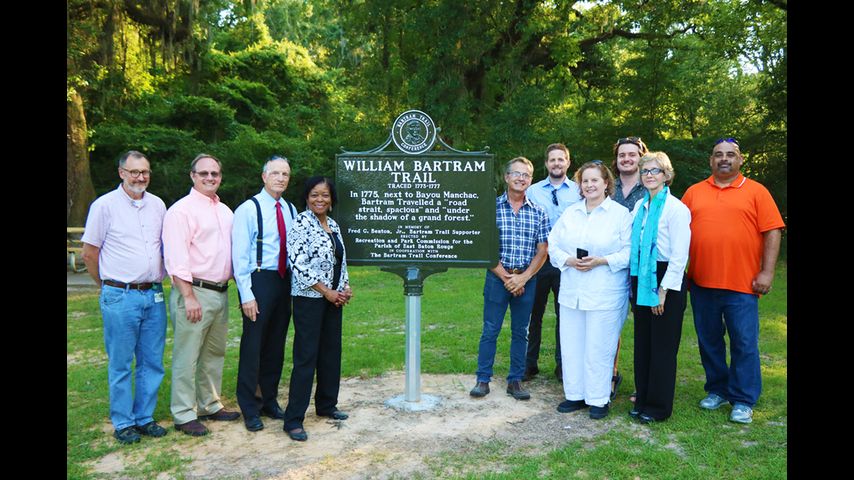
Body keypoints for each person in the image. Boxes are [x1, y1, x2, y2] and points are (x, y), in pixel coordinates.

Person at [681, 138, 785, 424]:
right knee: (709, 341)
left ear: (740, 160)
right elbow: (677, 230)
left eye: (730, 155)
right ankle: (717, 389)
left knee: (744, 342)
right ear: (710, 161)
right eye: (718, 155)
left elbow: (773, 231)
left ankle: (743, 398)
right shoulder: (693, 192)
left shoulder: (756, 191)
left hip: (742, 284)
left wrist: (767, 272)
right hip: (701, 282)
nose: (723, 159)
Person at [81, 150, 169, 444]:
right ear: (121, 173)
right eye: (134, 172)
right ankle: (123, 422)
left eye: (144, 172)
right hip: (120, 295)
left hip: (153, 294)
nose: (140, 177)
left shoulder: (158, 205)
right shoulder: (104, 206)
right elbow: (90, 252)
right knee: (121, 362)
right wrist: (106, 285)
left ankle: (145, 417)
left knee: (152, 361)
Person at [162, 154, 240, 436]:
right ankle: (184, 414)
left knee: (213, 352)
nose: (210, 178)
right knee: (187, 354)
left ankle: (210, 403)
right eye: (204, 173)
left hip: (220, 293)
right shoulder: (180, 211)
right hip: (194, 292)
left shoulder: (225, 211)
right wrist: (188, 296)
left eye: (215, 173)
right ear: (192, 175)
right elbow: (176, 258)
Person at [548, 160, 632, 420]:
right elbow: (553, 244)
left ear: (606, 183)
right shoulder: (571, 213)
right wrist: (568, 260)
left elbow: (629, 252)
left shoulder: (620, 214)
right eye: (585, 181)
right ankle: (575, 395)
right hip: (573, 289)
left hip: (605, 291)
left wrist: (601, 260)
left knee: (599, 346)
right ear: (580, 185)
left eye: (595, 180)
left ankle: (598, 398)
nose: (590, 185)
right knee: (572, 345)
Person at [470, 157, 550, 401]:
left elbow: (543, 250)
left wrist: (523, 278)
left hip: (527, 279)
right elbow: (483, 247)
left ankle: (515, 380)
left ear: (530, 179)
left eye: (525, 175)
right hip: (497, 278)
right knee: (490, 330)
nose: (520, 178)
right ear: (506, 177)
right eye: (515, 173)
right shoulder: (491, 209)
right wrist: (507, 278)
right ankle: (483, 380)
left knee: (521, 331)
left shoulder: (539, 212)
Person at [283, 176, 353, 441]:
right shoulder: (301, 223)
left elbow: (340, 261)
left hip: (333, 299)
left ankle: (326, 405)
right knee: (305, 358)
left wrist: (345, 288)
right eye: (314, 195)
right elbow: (299, 264)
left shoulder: (333, 224)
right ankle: (293, 420)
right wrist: (326, 291)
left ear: (331, 199)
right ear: (306, 197)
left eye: (324, 195)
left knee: (330, 353)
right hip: (309, 298)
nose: (319, 199)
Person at [231, 155, 299, 432]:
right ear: (264, 176)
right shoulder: (248, 209)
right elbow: (239, 256)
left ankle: (269, 399)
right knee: (253, 346)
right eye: (275, 173)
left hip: (284, 281)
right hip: (259, 280)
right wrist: (246, 294)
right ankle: (249, 406)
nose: (281, 178)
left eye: (285, 174)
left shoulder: (291, 209)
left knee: (275, 344)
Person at [627, 152, 691, 424]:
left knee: (662, 346)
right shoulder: (639, 207)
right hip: (641, 275)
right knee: (643, 342)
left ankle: (658, 406)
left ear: (666, 175)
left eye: (655, 171)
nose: (649, 175)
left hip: (666, 279)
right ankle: (642, 398)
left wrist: (663, 291)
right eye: (645, 171)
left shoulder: (676, 209)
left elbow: (679, 255)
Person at [523, 143, 581, 382]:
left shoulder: (579, 190)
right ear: (546, 164)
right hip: (538, 260)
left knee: (565, 316)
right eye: (552, 160)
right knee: (532, 315)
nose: (557, 163)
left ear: (568, 162)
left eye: (561, 159)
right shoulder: (533, 191)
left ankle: (563, 366)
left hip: (566, 262)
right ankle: (528, 364)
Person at [610, 136, 649, 403]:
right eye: (622, 155)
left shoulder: (650, 186)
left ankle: (643, 383)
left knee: (644, 326)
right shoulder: (606, 186)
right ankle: (610, 376)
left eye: (632, 155)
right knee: (610, 325)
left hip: (641, 267)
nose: (627, 159)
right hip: (610, 266)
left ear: (641, 157)